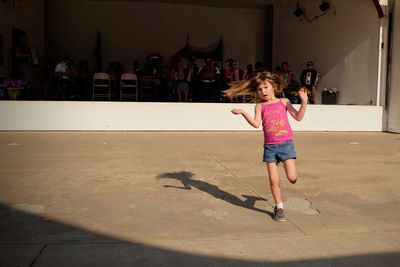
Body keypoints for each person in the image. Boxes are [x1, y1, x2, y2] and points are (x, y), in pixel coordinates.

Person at [223, 72, 308, 222]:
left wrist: (304, 101)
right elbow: (256, 124)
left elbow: (298, 117)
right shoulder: (260, 106)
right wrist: (243, 112)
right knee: (273, 180)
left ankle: (291, 176)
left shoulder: (284, 102)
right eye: (260, 89)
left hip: (286, 144)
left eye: (266, 87)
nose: (263, 91)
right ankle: (279, 206)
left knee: (292, 177)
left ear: (273, 87)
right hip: (270, 147)